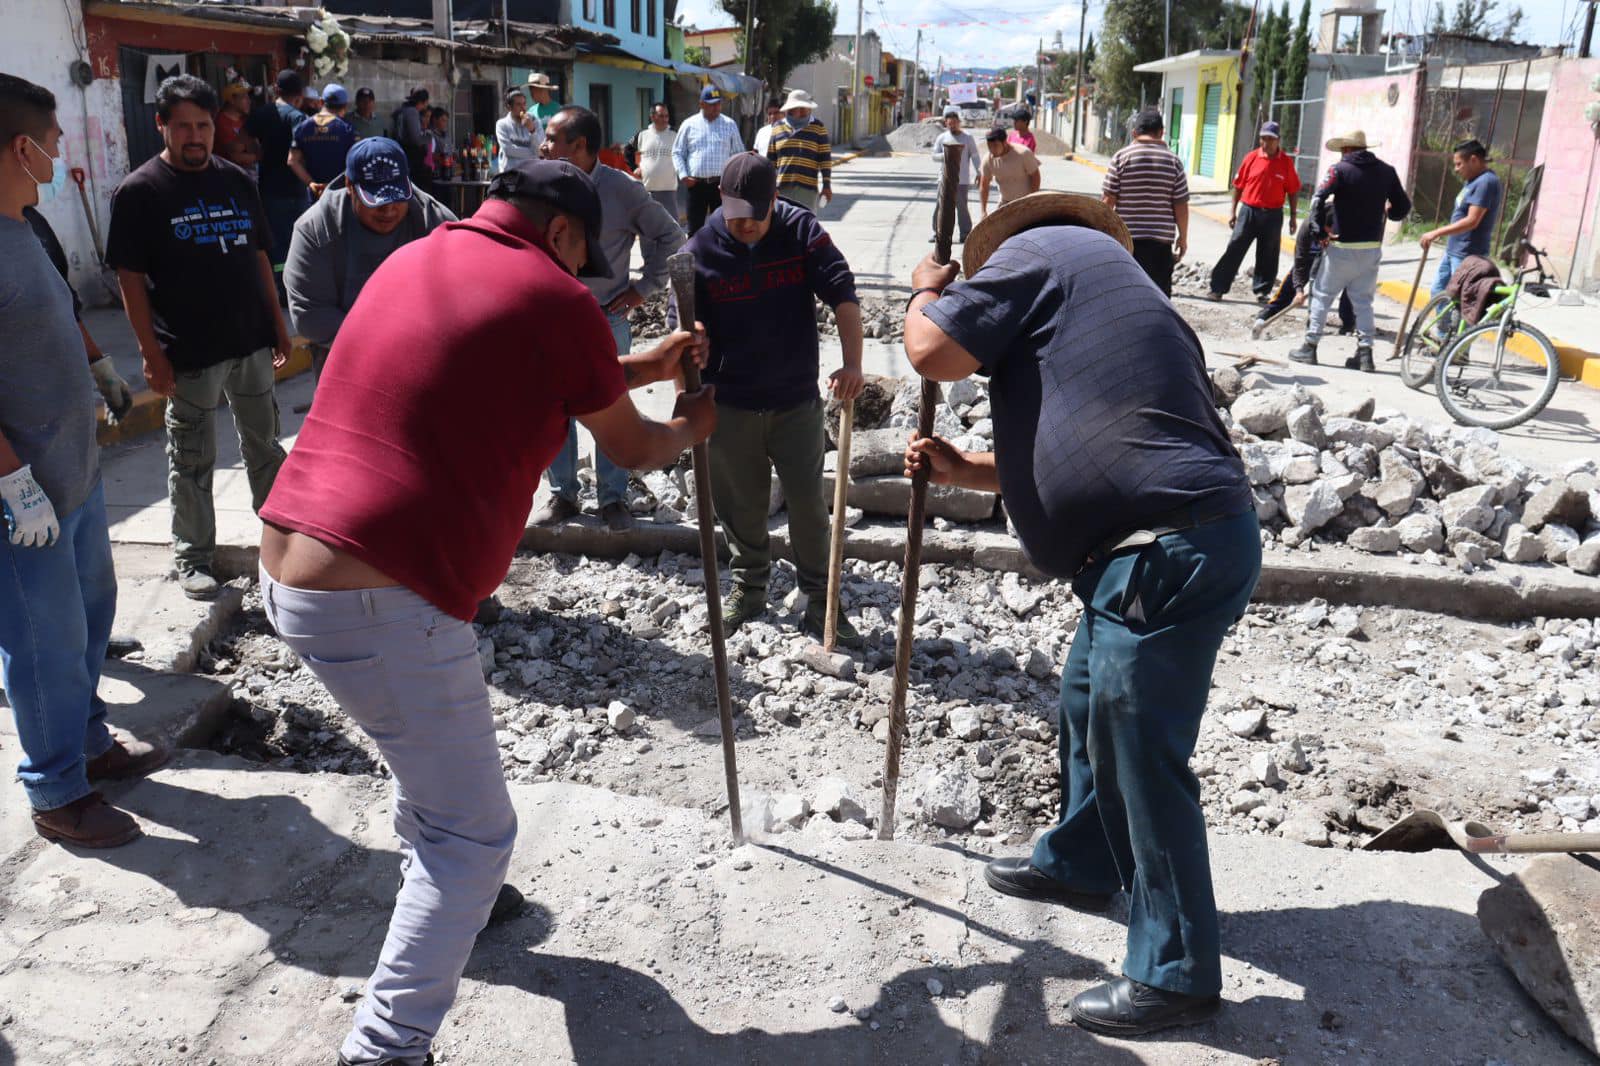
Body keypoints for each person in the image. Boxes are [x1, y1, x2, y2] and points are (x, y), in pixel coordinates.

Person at [257, 157, 714, 1066]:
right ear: (561, 234)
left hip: (294, 567)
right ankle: (387, 1048)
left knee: (424, 759)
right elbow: (633, 441)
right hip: (382, 595)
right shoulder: (555, 296)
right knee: (475, 834)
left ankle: (459, 894)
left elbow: (520, 361)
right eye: (580, 260)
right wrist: (694, 424)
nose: (577, 279)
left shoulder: (419, 257)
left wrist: (633, 362)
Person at [901, 191, 1259, 1039]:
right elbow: (1090, 438)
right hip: (1158, 547)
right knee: (1086, 704)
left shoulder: (1042, 251)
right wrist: (966, 469)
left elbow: (932, 351)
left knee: (1141, 753)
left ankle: (1174, 974)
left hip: (1162, 551)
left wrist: (924, 291)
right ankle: (1083, 860)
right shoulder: (1114, 287)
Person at [1, 71, 166, 850]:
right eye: (54, 136)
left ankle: (91, 740)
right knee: (42, 645)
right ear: (22, 146)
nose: (64, 147)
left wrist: (98, 367)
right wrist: (11, 480)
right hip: (22, 493)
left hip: (75, 473)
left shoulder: (25, 225)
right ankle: (57, 791)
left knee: (91, 620)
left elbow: (60, 312)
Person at [106, 74, 291, 600]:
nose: (195, 136)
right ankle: (193, 557)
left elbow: (259, 258)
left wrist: (278, 327)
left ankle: (282, 545)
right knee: (190, 458)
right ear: (161, 125)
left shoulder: (238, 181)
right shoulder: (139, 192)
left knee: (266, 449)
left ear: (217, 127)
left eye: (204, 125)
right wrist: (150, 354)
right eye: (183, 125)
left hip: (250, 344)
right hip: (188, 353)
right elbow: (130, 279)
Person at [685, 153, 866, 644]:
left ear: (774, 203)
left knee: (809, 505)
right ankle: (749, 589)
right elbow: (684, 319)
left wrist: (853, 364)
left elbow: (844, 296)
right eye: (734, 216)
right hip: (732, 401)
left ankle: (822, 599)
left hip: (794, 400)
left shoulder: (800, 229)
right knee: (739, 504)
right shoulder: (702, 245)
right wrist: (695, 338)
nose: (743, 226)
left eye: (754, 217)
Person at [536, 106, 684, 532]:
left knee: (609, 405)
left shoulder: (621, 189)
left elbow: (671, 236)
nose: (544, 146)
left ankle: (612, 498)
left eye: (552, 138)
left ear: (579, 146)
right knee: (553, 408)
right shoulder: (541, 185)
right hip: (551, 320)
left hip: (604, 318)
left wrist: (643, 289)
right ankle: (563, 494)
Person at [285, 136, 455, 387]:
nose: (388, 210)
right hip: (347, 360)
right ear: (349, 185)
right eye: (376, 201)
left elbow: (460, 293)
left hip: (422, 357)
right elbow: (310, 315)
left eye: (397, 198)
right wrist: (386, 344)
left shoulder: (435, 221)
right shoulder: (315, 230)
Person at [1292, 129, 1411, 372]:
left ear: (1347, 150)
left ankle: (1310, 346)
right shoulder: (1386, 171)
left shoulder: (1339, 170)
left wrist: (1320, 232)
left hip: (1341, 247)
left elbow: (1317, 200)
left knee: (1323, 295)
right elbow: (1403, 206)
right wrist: (1391, 212)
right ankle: (1365, 354)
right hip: (1371, 248)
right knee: (1364, 302)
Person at [1207, 121, 1300, 302]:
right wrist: (1233, 211)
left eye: (1270, 139)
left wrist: (1294, 217)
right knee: (1234, 248)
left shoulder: (1286, 163)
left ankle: (1262, 291)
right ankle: (1217, 288)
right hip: (1249, 212)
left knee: (1269, 253)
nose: (1266, 143)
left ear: (1278, 140)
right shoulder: (1251, 158)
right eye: (1263, 138)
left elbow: (1293, 190)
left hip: (1273, 215)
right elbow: (1238, 186)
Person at [1101, 108, 1189, 296]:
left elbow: (1108, 201)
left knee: (1126, 295)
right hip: (1160, 246)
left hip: (1127, 242)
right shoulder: (1174, 162)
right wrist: (1183, 237)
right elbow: (1181, 205)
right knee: (1158, 298)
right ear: (1161, 132)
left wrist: (1102, 232)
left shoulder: (1121, 158)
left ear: (1134, 133)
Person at [246, 69, 312, 291]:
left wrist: (257, 154)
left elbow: (237, 145)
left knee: (277, 241)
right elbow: (304, 151)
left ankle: (282, 287)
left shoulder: (260, 114)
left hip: (270, 191)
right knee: (302, 239)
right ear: (299, 95)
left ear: (276, 90)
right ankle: (298, 285)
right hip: (296, 188)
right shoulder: (298, 118)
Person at [1250, 207, 1356, 340]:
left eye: (1331, 233)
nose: (1328, 235)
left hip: (1340, 257)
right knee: (1291, 283)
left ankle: (1347, 323)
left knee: (1351, 281)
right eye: (1326, 232)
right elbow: (1300, 262)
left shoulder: (1349, 226)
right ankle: (1265, 316)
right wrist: (1299, 290)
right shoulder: (1307, 228)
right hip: (1310, 257)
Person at [1420, 138, 1501, 295]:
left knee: (1460, 300)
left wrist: (1436, 232)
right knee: (1438, 292)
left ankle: (1456, 321)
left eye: (1459, 164)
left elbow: (1472, 221)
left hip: (1467, 254)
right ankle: (1445, 321)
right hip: (1454, 250)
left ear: (1473, 160)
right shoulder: (1472, 181)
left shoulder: (1486, 183)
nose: (1456, 169)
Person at [672, 85, 744, 234]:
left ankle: (721, 256)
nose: (716, 107)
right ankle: (696, 257)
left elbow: (738, 154)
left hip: (721, 186)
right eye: (712, 104)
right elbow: (677, 152)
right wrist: (683, 175)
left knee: (724, 228)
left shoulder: (729, 125)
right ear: (701, 104)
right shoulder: (689, 125)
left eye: (718, 103)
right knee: (694, 229)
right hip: (696, 186)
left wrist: (734, 181)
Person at [768, 89, 833, 212]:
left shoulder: (818, 127)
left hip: (807, 190)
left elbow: (825, 160)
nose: (806, 111)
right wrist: (769, 187)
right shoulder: (778, 128)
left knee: (805, 227)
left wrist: (826, 185)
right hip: (781, 189)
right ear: (791, 110)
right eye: (801, 108)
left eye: (807, 108)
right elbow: (771, 161)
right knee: (782, 226)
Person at [288, 83, 357, 196]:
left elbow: (292, 161)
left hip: (315, 194)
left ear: (320, 102)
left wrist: (311, 183)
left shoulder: (303, 127)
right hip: (339, 193)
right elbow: (355, 162)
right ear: (344, 107)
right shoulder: (347, 129)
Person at [930, 106, 978, 243]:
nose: (952, 126)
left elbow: (974, 156)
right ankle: (937, 233)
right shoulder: (942, 138)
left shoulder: (967, 138)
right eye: (949, 123)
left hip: (961, 180)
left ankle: (965, 233)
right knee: (940, 207)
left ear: (959, 122)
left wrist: (979, 172)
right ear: (946, 123)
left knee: (962, 207)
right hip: (944, 179)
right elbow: (934, 156)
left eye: (954, 123)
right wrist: (946, 155)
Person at [978, 125, 1040, 216]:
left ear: (1004, 142)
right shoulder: (988, 159)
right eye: (989, 146)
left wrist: (1032, 200)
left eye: (995, 145)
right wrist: (983, 211)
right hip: (1005, 202)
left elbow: (1036, 176)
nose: (992, 150)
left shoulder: (1023, 154)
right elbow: (984, 185)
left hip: (1025, 202)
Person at [635, 102, 680, 224]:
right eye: (661, 116)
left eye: (666, 116)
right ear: (652, 116)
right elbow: (635, 153)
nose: (665, 119)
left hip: (669, 191)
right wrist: (637, 167)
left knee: (672, 229)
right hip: (647, 191)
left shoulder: (675, 135)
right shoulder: (642, 135)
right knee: (647, 228)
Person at [393, 87, 432, 192]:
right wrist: (428, 138)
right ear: (423, 102)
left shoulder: (401, 110)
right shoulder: (412, 112)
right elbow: (415, 140)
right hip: (411, 157)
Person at [496, 87, 541, 172]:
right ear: (509, 107)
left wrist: (532, 130)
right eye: (518, 104)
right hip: (510, 174)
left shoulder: (535, 121)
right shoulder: (502, 124)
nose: (523, 108)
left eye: (524, 104)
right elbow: (509, 150)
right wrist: (533, 154)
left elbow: (540, 151)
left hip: (532, 173)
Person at [215, 82, 251, 151]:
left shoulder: (244, 119)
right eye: (244, 97)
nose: (249, 101)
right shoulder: (221, 123)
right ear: (232, 100)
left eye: (248, 97)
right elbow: (235, 150)